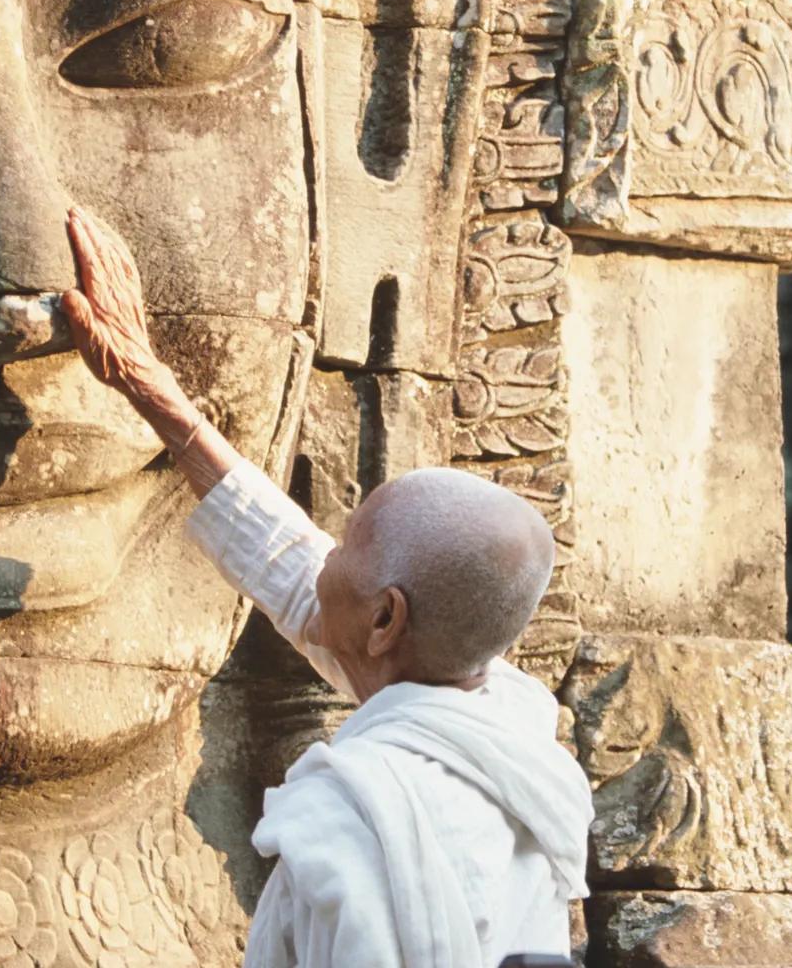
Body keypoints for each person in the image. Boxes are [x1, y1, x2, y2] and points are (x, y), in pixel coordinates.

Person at [58, 208, 596, 968]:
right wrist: (151, 390)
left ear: (384, 621)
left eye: (345, 544)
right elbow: (287, 561)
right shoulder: (511, 730)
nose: (325, 553)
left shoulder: (349, 825)